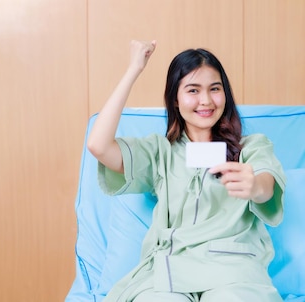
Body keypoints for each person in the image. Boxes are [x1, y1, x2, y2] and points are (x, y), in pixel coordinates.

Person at [87, 40, 286, 302]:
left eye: (215, 89)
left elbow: (265, 185)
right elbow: (98, 145)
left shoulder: (250, 147)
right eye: (193, 90)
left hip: (234, 272)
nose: (205, 100)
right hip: (169, 273)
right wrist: (134, 69)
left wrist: (255, 186)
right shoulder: (159, 153)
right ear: (175, 100)